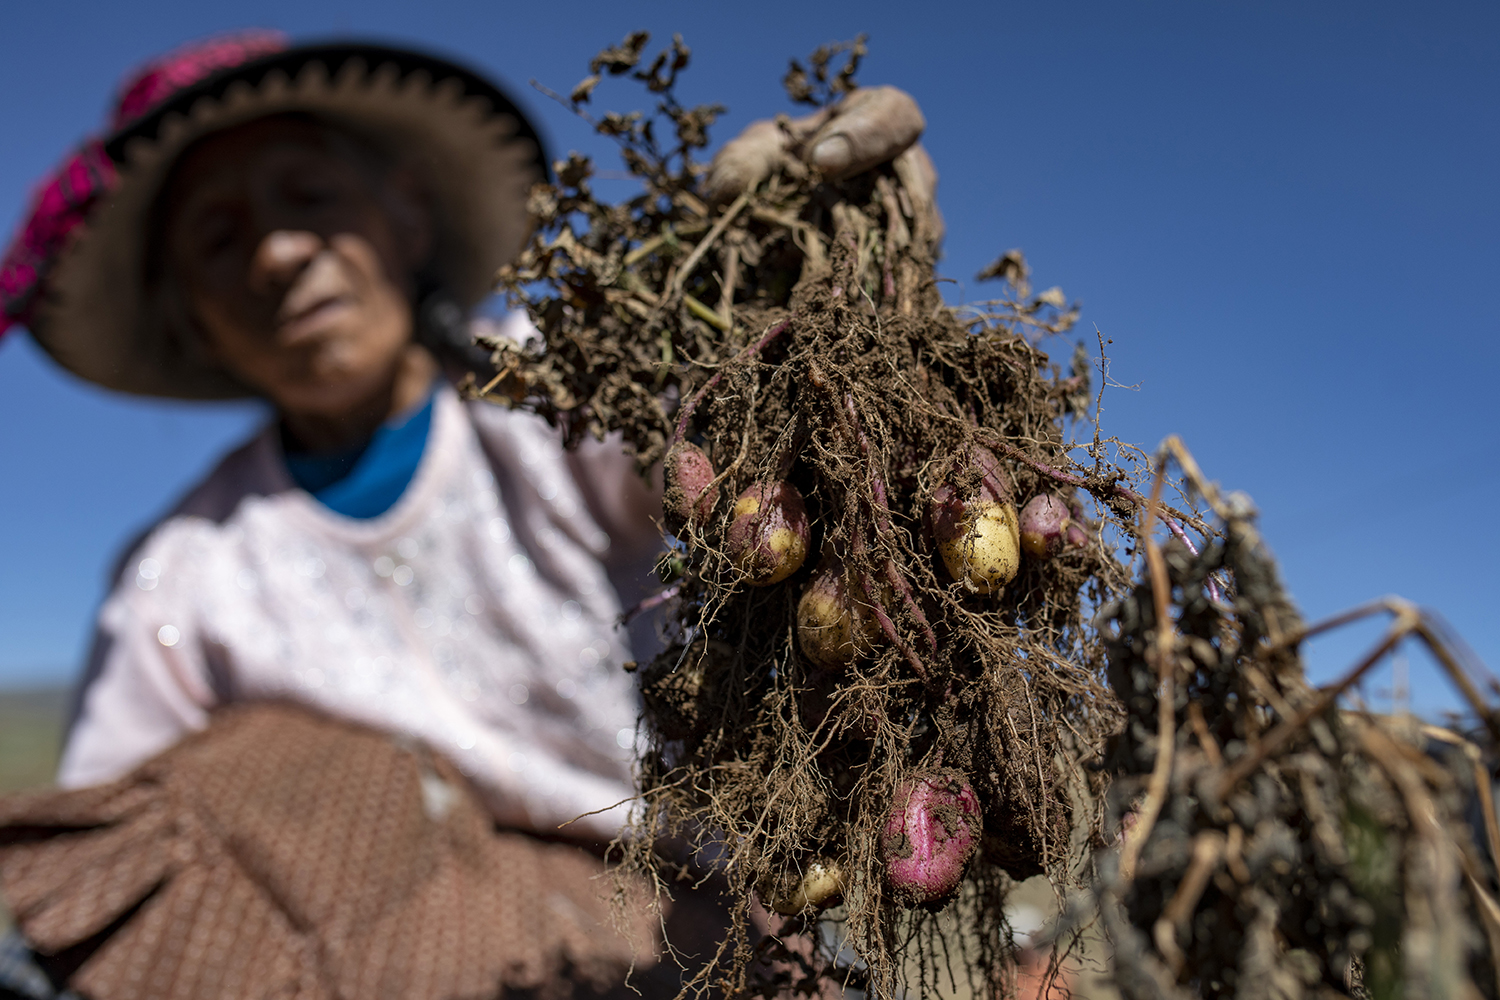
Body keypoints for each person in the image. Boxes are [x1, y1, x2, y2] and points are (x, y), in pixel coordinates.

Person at [0, 31, 929, 1000]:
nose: (276, 253)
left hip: (697, 917)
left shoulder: (556, 384)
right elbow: (123, 846)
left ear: (403, 213)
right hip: (400, 955)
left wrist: (803, 264)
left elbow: (730, 446)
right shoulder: (188, 572)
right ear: (190, 316)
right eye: (219, 240)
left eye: (309, 199)